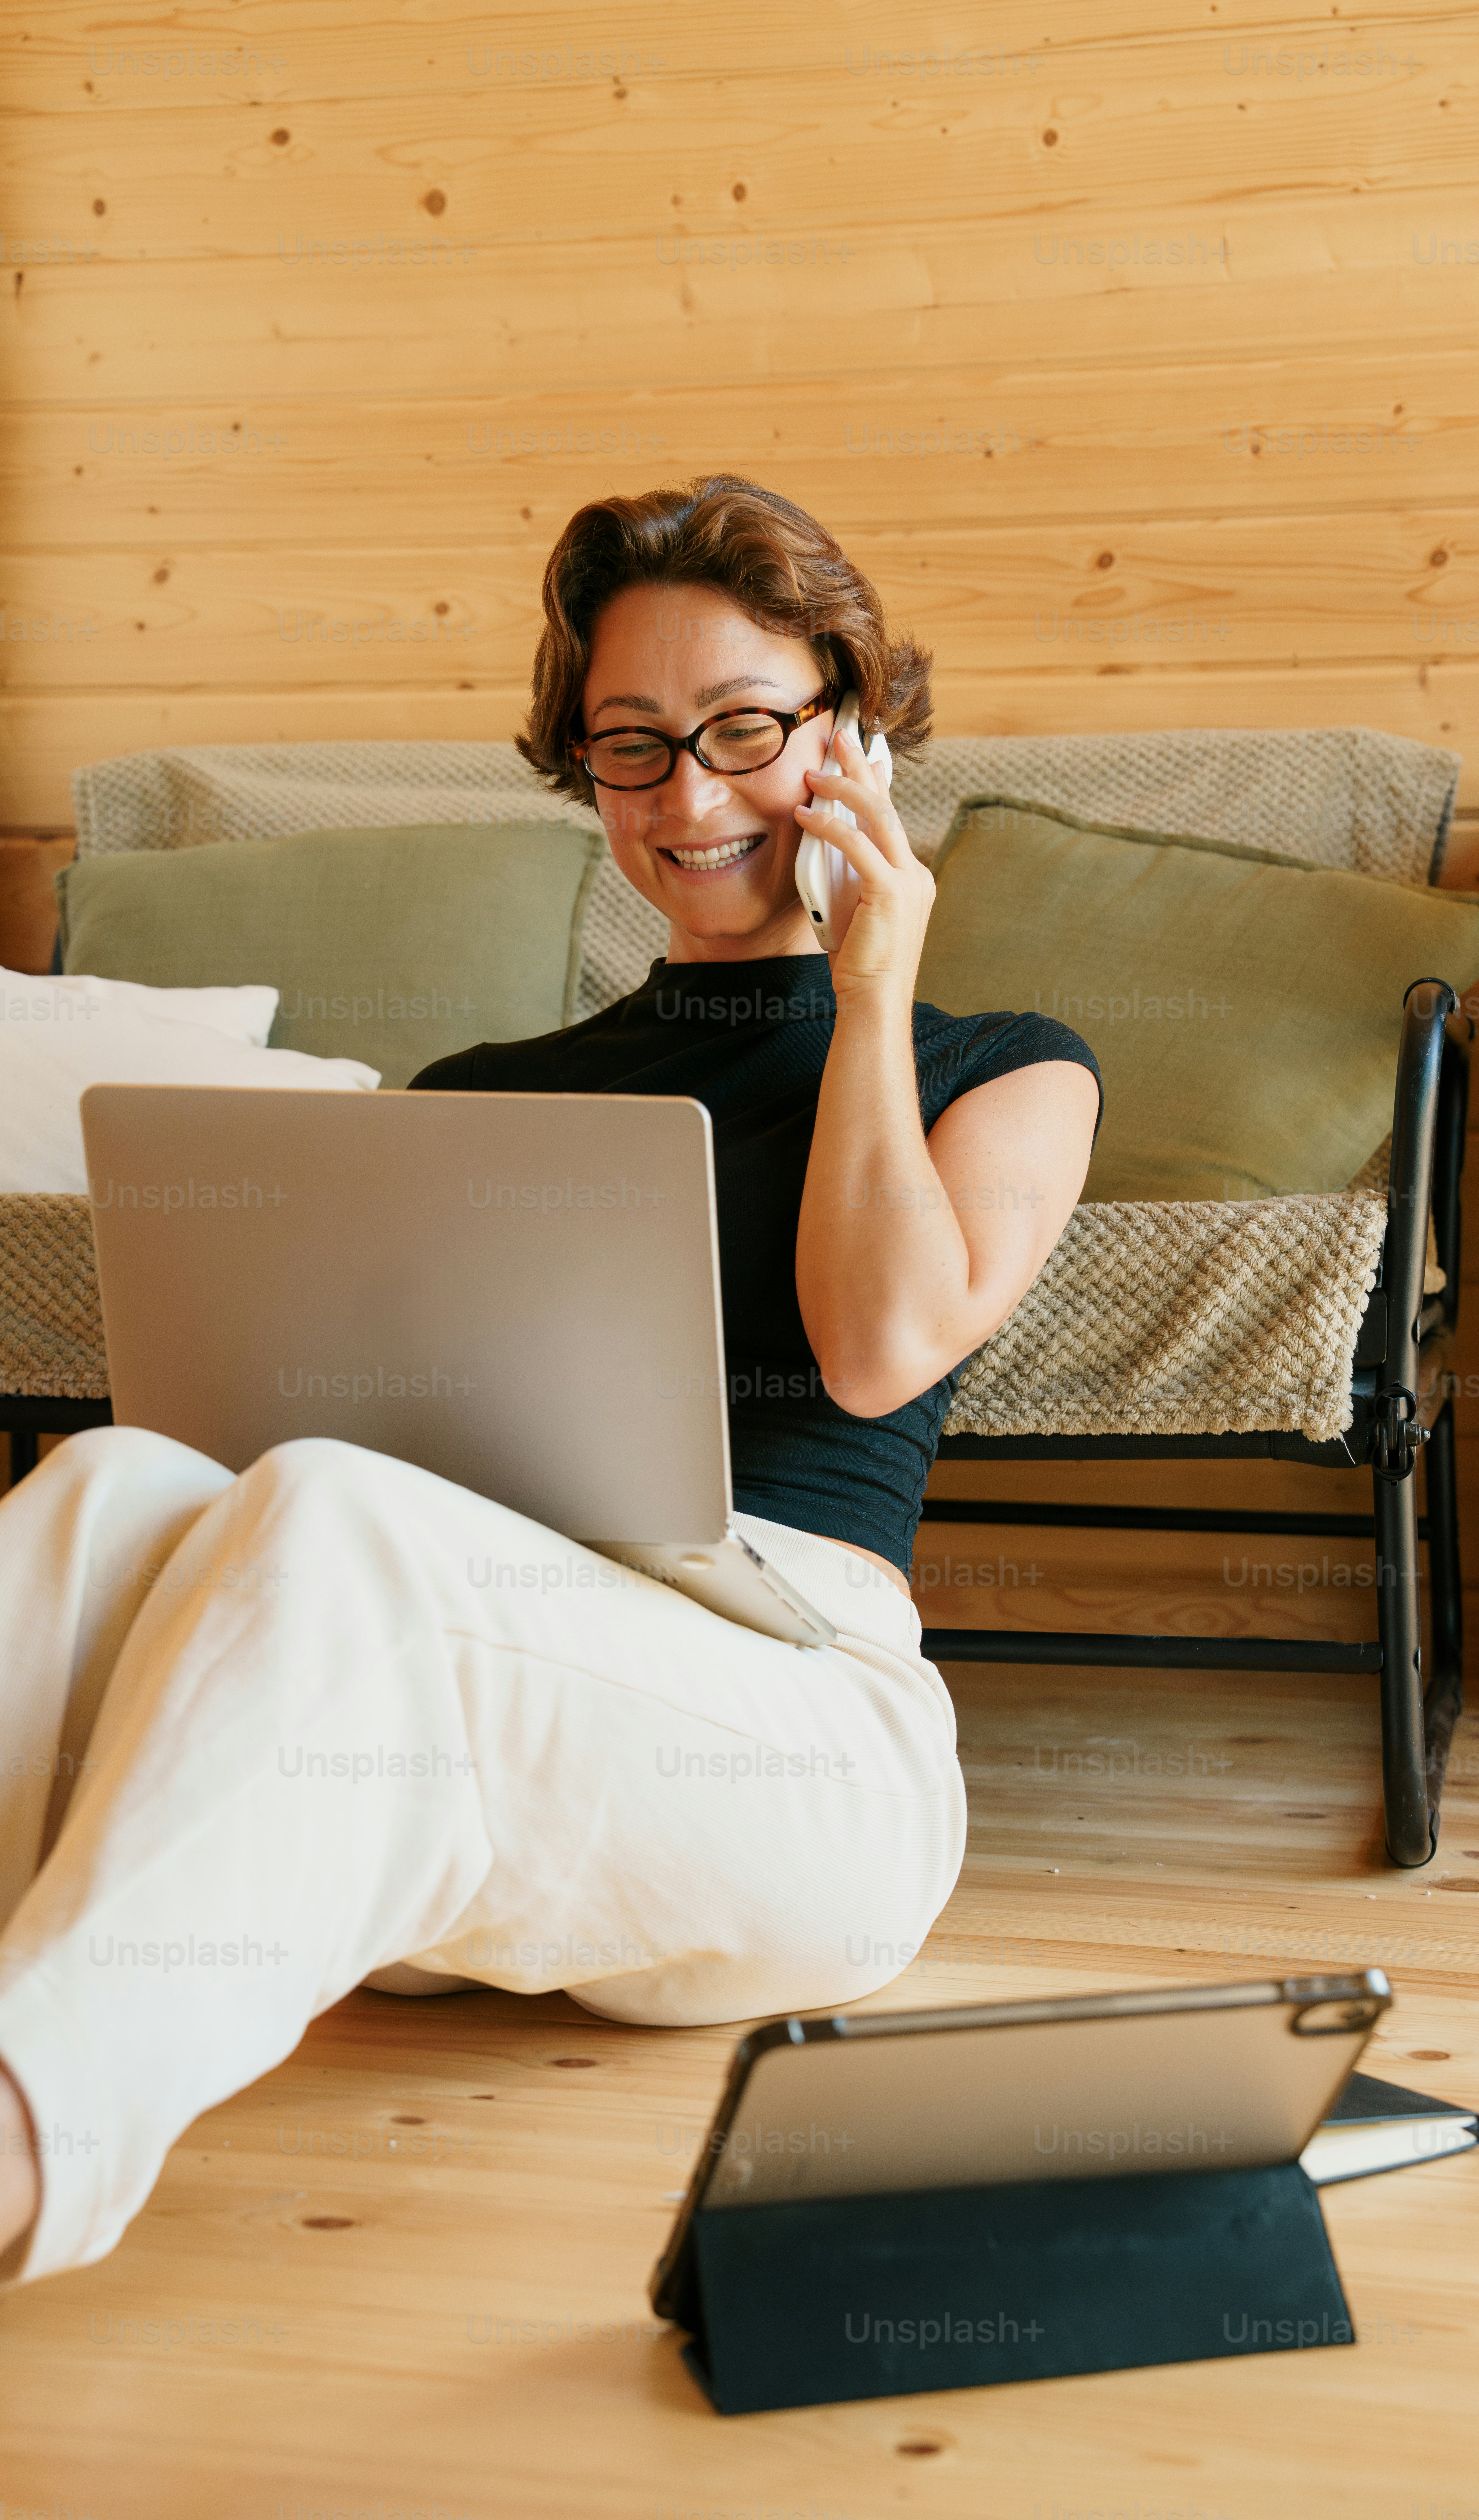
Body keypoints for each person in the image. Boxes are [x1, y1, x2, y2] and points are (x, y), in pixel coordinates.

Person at [0, 476, 1101, 2287]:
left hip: (795, 1736)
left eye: (749, 730)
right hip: (452, 1758)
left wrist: (872, 982)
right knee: (122, 1485)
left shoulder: (1008, 1069)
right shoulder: (485, 1088)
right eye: (632, 747)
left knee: (343, 1515)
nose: (692, 798)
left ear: (855, 731)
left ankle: (32, 2145)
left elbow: (882, 1342)